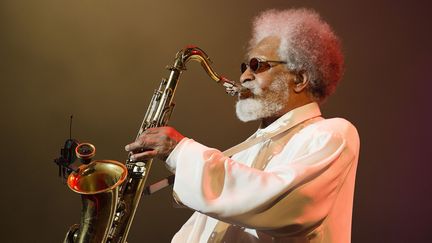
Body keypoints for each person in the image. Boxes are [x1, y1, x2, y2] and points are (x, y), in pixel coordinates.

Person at [125, 8, 360, 243]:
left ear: (299, 79)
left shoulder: (333, 133)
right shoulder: (241, 156)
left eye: (257, 65)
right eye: (244, 67)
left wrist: (179, 150)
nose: (244, 77)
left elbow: (281, 204)